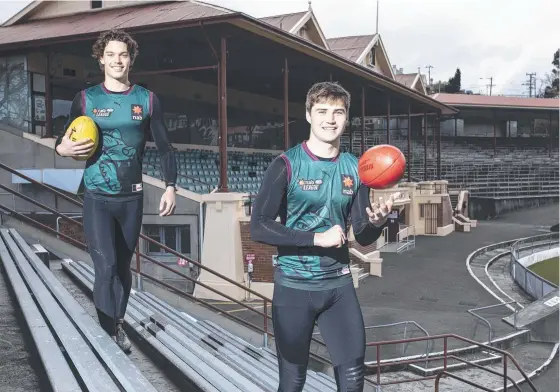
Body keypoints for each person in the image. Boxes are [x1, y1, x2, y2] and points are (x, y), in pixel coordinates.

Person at [250, 81, 400, 392]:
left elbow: (361, 231)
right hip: (294, 289)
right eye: (322, 111)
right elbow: (259, 226)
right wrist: (317, 238)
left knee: (353, 381)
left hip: (338, 288)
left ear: (346, 119)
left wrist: (378, 221)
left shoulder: (357, 168)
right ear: (308, 115)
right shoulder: (285, 165)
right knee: (292, 383)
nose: (330, 119)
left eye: (338, 112)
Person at [54, 29, 177, 353]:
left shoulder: (147, 100)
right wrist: (63, 149)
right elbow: (62, 141)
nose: (117, 60)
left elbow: (166, 149)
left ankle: (117, 323)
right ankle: (107, 333)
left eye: (123, 54)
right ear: (101, 58)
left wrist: (170, 187)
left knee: (122, 268)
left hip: (131, 198)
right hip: (96, 196)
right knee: (105, 265)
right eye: (111, 54)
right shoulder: (86, 98)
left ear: (130, 59)